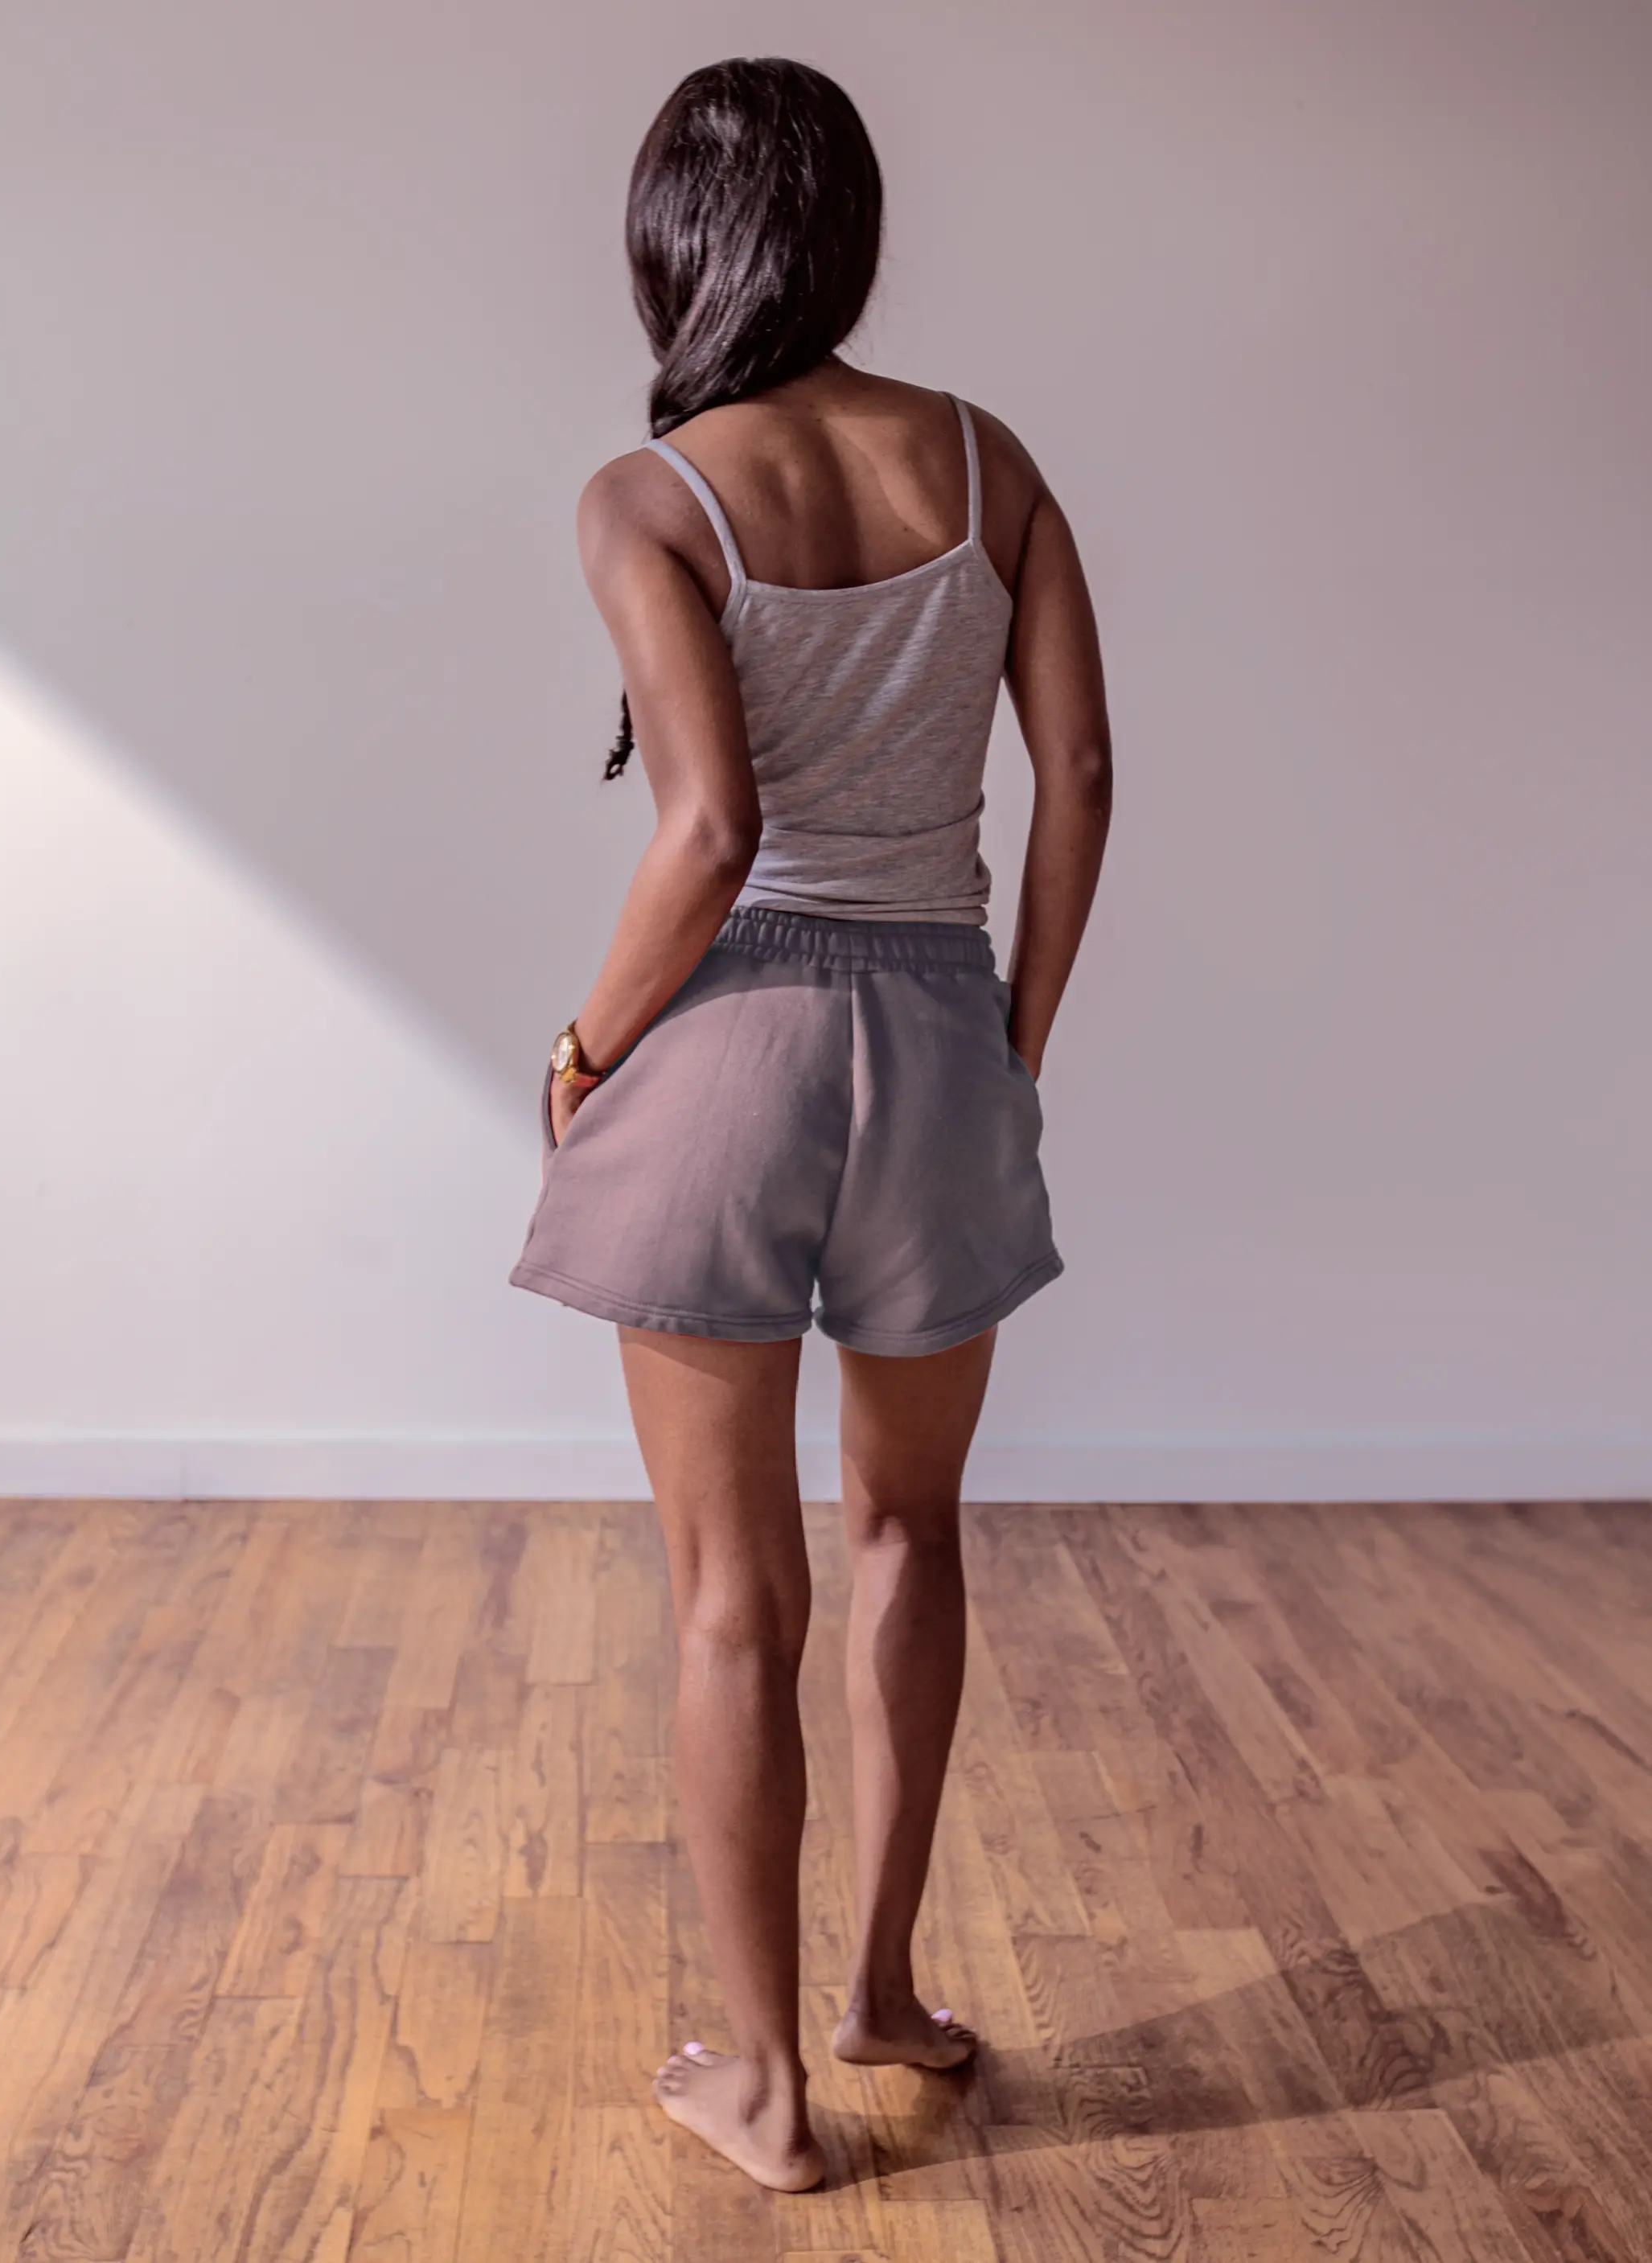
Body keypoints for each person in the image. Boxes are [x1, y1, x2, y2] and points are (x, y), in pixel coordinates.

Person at [509, 55, 1112, 2193]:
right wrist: (1007, 1039)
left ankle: (760, 2083)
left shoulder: (650, 493)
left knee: (721, 1599)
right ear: (848, 231)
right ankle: (879, 1991)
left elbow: (705, 828)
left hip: (725, 1056)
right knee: (905, 1532)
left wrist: (585, 1054)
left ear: (674, 241)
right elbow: (1083, 779)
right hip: (938, 1040)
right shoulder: (985, 460)